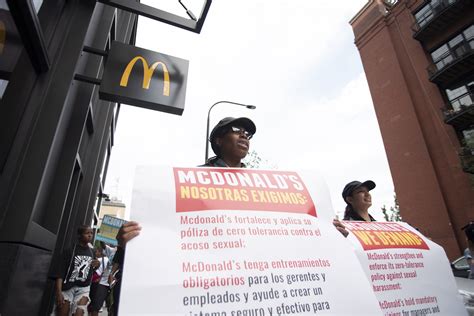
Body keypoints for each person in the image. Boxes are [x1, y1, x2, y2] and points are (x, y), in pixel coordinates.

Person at [53, 225, 99, 316]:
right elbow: (60, 273)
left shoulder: (92, 252)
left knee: (79, 313)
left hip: (83, 288)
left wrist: (98, 265)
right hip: (67, 288)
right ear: (79, 235)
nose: (90, 235)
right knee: (62, 313)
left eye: (91, 233)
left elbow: (92, 268)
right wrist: (58, 292)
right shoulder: (70, 250)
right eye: (87, 233)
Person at [89, 247, 110, 315]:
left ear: (100, 252)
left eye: (97, 252)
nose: (95, 253)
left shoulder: (99, 259)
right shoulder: (107, 259)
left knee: (93, 302)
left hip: (97, 281)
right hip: (105, 282)